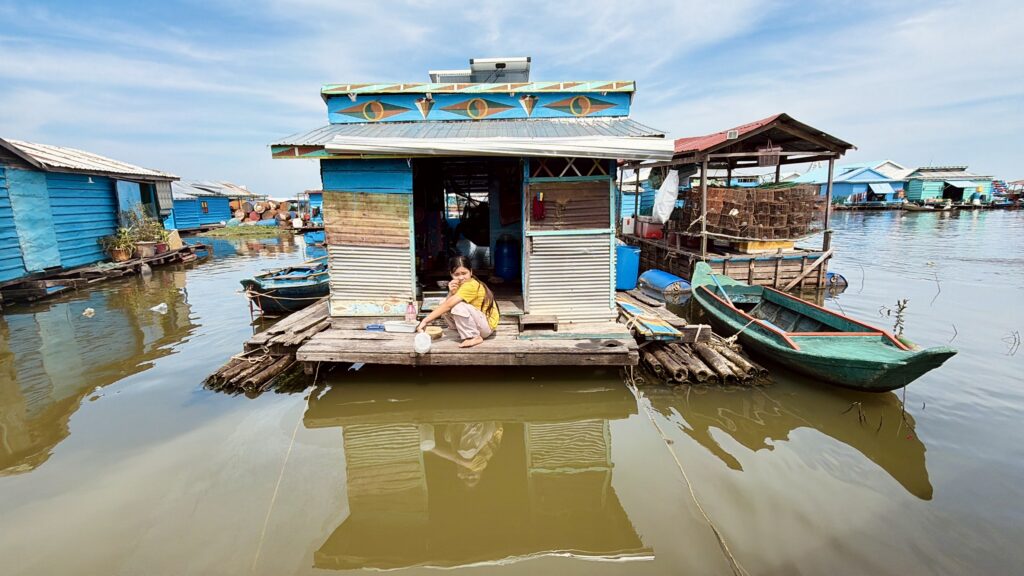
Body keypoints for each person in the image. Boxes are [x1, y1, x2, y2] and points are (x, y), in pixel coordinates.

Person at [416, 255, 499, 347]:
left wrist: (425, 320)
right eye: (456, 274)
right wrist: (451, 293)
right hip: (478, 323)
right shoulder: (459, 284)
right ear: (451, 274)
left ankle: (474, 337)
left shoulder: (471, 285)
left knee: (456, 306)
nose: (461, 277)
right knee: (443, 302)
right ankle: (457, 329)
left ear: (471, 272)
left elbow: (449, 305)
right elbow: (446, 303)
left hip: (486, 328)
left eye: (464, 273)